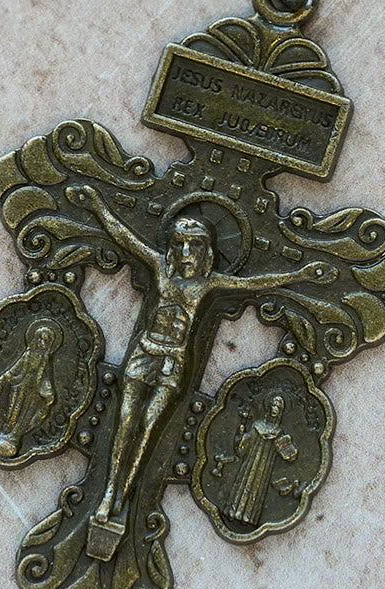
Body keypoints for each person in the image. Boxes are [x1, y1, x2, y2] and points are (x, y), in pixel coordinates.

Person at [66, 184, 336, 548]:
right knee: (125, 422)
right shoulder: (162, 270)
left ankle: (122, 502)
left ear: (206, 251)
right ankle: (108, 495)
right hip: (145, 353)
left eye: (193, 246)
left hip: (173, 361)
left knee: (148, 429)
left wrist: (301, 274)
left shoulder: (208, 284)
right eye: (179, 244)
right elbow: (126, 237)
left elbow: (254, 283)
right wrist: (96, 204)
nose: (185, 253)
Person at [222, 395, 298, 526]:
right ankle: (234, 512)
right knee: (243, 485)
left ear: (281, 412)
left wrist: (288, 450)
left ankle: (249, 518)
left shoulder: (279, 432)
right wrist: (240, 435)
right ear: (269, 407)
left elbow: (287, 454)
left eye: (278, 407)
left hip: (264, 469)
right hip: (249, 464)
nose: (275, 409)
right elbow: (243, 446)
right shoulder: (257, 425)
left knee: (257, 490)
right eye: (273, 405)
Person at [0, 318, 63, 457]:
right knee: (12, 414)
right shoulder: (28, 355)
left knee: (24, 417)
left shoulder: (45, 359)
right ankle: (4, 436)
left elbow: (45, 377)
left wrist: (48, 392)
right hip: (18, 389)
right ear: (34, 339)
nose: (41, 343)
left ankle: (13, 441)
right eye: (40, 339)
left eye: (45, 340)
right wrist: (3, 378)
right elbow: (15, 369)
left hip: (33, 394)